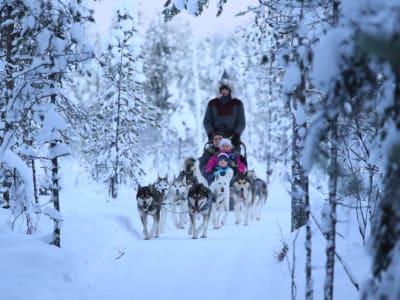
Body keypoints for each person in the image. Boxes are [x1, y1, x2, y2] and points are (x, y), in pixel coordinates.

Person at [203, 82, 246, 148]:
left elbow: (241, 122)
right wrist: (211, 134)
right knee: (208, 156)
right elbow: (207, 121)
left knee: (235, 156)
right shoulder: (212, 103)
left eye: (226, 89)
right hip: (216, 138)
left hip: (232, 139)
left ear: (230, 90)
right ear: (219, 90)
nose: (224, 91)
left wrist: (236, 135)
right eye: (222, 89)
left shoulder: (237, 104)